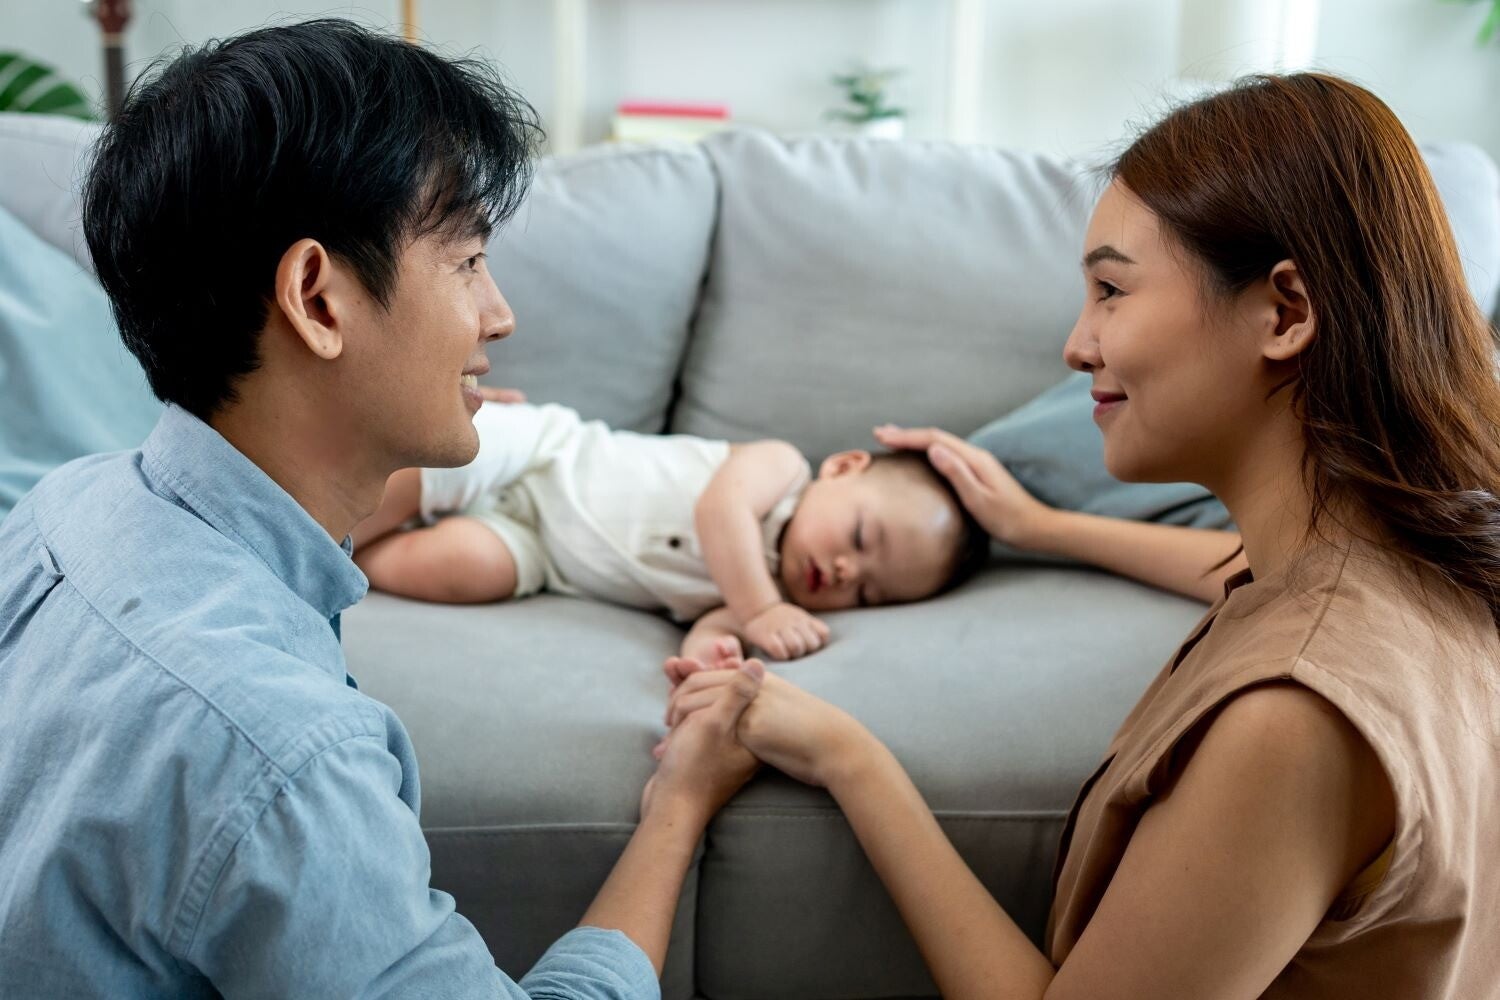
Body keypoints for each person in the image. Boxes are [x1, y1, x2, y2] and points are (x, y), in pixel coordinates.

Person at [664, 72, 1500, 998]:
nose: (1077, 345)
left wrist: (851, 761)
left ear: (1286, 313)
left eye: (1111, 289)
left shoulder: (1295, 716)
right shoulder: (1422, 568)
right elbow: (1239, 577)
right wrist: (1039, 527)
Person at [0, 20, 763, 998]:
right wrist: (681, 804)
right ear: (318, 300)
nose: (499, 315)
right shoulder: (282, 759)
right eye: (468, 261)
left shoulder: (58, 512)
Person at [351, 399, 988, 661]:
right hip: (545, 454)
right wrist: (761, 610)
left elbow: (712, 625)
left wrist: (710, 660)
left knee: (468, 571)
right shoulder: (781, 468)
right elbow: (721, 512)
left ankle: (350, 555)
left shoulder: (769, 599)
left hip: (541, 551)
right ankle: (322, 525)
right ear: (843, 469)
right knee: (446, 466)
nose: (848, 572)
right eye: (861, 538)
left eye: (868, 593)